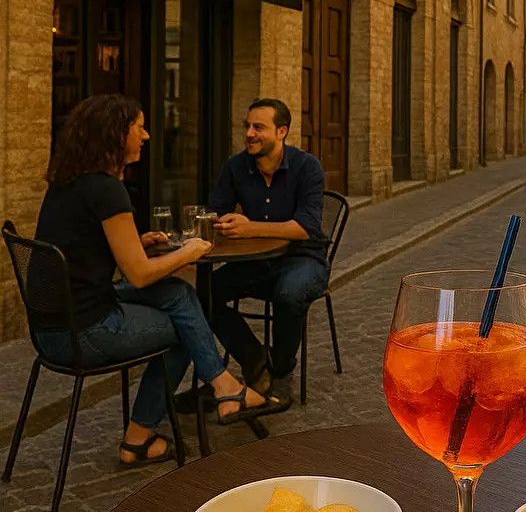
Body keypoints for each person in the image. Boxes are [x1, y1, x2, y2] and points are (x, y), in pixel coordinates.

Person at [33, 94, 286, 468]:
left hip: (51, 324)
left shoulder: (69, 182)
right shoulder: (107, 189)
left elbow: (87, 247)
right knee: (182, 327)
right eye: (139, 126)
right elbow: (138, 275)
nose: (147, 135)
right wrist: (190, 251)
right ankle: (143, 435)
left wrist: (138, 241)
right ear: (116, 134)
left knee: (180, 295)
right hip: (83, 331)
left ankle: (225, 390)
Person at [210, 98, 329, 399]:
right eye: (247, 126)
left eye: (258, 127)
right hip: (254, 262)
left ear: (281, 132)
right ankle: (253, 357)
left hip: (303, 259)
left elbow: (306, 227)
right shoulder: (235, 166)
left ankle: (281, 367)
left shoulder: (307, 167)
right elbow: (215, 214)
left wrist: (249, 227)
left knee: (288, 294)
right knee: (200, 292)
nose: (249, 133)